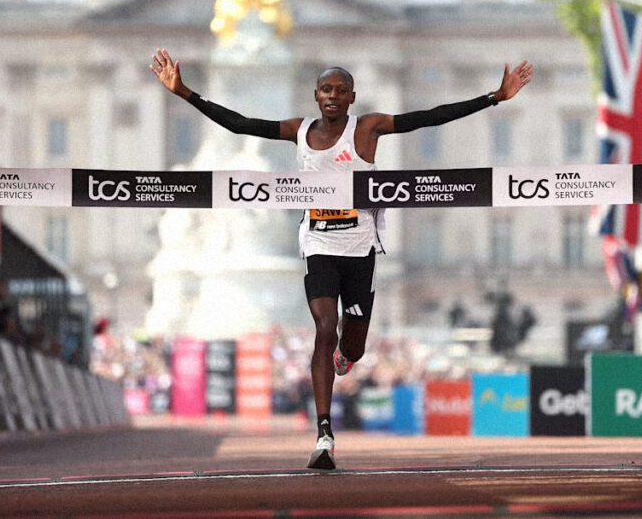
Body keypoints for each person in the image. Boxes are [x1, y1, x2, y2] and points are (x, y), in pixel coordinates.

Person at [150, 48, 532, 469]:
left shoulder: (367, 129)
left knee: (352, 346)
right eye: (326, 89)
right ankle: (324, 433)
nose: (332, 96)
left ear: (351, 97)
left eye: (341, 90)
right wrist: (184, 92)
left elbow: (429, 116)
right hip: (318, 244)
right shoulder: (299, 131)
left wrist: (494, 97)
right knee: (324, 328)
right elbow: (242, 125)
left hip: (360, 247)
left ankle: (346, 358)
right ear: (316, 95)